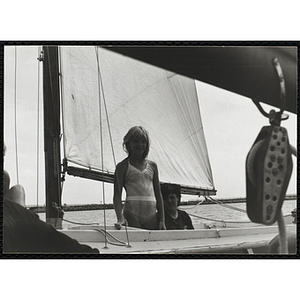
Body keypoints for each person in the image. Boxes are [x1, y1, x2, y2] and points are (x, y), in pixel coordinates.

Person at [3, 143, 99, 254]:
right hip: (19, 227)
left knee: (17, 190)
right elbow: (53, 239)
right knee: (18, 196)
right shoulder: (15, 213)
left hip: (18, 223)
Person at [113, 126, 165, 230]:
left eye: (143, 142)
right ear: (128, 143)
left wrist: (162, 220)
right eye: (136, 141)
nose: (140, 145)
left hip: (151, 215)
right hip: (132, 213)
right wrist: (120, 217)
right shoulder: (122, 166)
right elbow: (117, 196)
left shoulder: (153, 166)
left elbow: (158, 195)